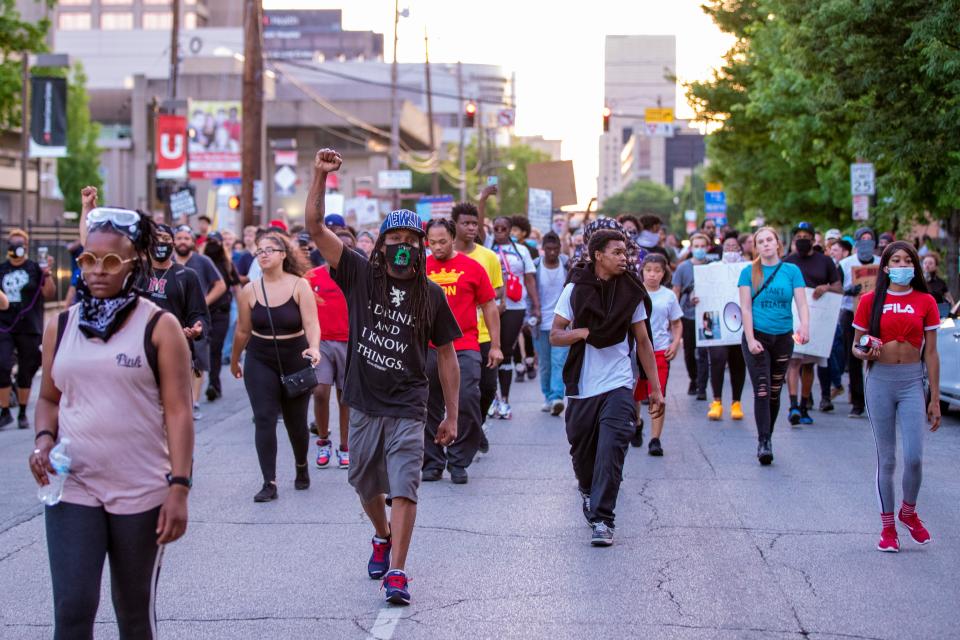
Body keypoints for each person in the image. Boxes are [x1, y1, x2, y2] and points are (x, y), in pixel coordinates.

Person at [306, 149, 461, 606]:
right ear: (381, 243)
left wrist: (451, 414)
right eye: (393, 237)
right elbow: (316, 228)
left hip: (410, 404)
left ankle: (398, 570)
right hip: (363, 400)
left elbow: (447, 355)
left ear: (420, 247)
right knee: (363, 482)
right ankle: (381, 534)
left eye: (410, 239)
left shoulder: (431, 294)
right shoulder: (358, 272)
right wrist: (320, 176)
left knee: (405, 485)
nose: (402, 245)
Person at [30, 206, 194, 639]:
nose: (96, 271)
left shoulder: (160, 326)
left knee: (134, 613)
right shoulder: (59, 326)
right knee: (72, 609)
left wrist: (179, 486)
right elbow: (48, 397)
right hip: (74, 484)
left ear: (132, 265)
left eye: (109, 262)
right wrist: (43, 440)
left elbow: (179, 411)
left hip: (140, 489)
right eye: (87, 260)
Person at [551, 229, 664, 546]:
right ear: (597, 255)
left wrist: (654, 388)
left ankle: (603, 519)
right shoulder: (575, 290)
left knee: (612, 449)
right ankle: (588, 490)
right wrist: (583, 332)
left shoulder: (632, 291)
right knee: (583, 456)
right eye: (616, 252)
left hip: (618, 383)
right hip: (583, 386)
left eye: (625, 252)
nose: (623, 257)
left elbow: (643, 341)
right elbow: (555, 335)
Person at [851, 241, 941, 552]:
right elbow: (855, 346)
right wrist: (866, 349)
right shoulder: (870, 301)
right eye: (896, 260)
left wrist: (935, 399)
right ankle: (888, 527)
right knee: (887, 459)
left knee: (914, 457)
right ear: (886, 267)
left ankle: (909, 512)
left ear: (914, 267)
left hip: (912, 382)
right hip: (880, 382)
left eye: (908, 261)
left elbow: (931, 353)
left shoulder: (926, 300)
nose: (902, 266)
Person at [230, 230, 321, 502]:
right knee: (265, 418)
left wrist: (314, 347)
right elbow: (242, 331)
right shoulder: (249, 290)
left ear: (283, 255)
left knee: (296, 423)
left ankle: (302, 466)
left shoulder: (299, 285)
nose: (264, 254)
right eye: (260, 250)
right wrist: (235, 360)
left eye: (270, 249)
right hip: (260, 357)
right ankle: (269, 482)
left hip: (294, 355)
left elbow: (311, 323)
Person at [422, 219, 502, 484]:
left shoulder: (473, 267)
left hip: (464, 343)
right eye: (431, 243)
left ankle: (458, 459)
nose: (437, 248)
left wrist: (496, 346)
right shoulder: (420, 267)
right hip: (428, 345)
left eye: (442, 242)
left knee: (467, 396)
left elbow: (490, 307)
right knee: (428, 402)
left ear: (453, 238)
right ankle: (432, 460)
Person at [739, 227, 809, 465]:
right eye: (761, 241)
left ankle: (767, 435)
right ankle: (763, 442)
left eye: (770, 240)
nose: (766, 244)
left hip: (783, 338)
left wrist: (804, 326)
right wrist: (750, 339)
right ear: (755, 247)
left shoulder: (791, 271)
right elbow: (745, 308)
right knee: (762, 388)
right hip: (757, 336)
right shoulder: (748, 272)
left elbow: (801, 303)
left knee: (775, 390)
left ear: (778, 244)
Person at [451, 198, 503, 453]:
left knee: (487, 389)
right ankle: (463, 434)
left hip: (482, 336)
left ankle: (476, 424)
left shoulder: (489, 257)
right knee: (461, 391)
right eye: (466, 223)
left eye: (475, 223)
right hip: (451, 338)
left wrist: (496, 342)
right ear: (455, 225)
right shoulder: (443, 254)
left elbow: (496, 297)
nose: (471, 228)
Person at [783, 222, 842, 421]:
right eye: (798, 236)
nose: (802, 240)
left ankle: (804, 405)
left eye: (806, 236)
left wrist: (826, 288)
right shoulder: (788, 262)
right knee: (794, 361)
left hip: (818, 319)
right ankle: (793, 406)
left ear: (812, 239)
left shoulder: (825, 261)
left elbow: (838, 287)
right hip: (794, 318)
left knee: (808, 365)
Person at [0, 227, 56, 429]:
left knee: (27, 368)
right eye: (13, 244)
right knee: (3, 364)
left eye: (20, 245)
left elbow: (49, 293)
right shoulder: (2, 269)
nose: (17, 248)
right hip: (5, 325)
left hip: (29, 325)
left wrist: (47, 274)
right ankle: (5, 410)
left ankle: (22, 412)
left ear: (26, 246)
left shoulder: (34, 268)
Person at [306, 236, 352, 469]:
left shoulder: (358, 276)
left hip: (349, 341)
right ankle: (323, 439)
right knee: (320, 391)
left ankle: (345, 446)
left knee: (346, 397)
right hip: (321, 342)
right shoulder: (311, 277)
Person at [489, 215, 540, 420]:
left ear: (510, 230)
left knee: (506, 351)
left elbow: (529, 279)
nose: (499, 231)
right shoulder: (486, 246)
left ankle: (506, 401)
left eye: (504, 228)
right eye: (496, 227)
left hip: (515, 306)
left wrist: (536, 306)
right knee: (489, 351)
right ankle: (492, 398)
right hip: (489, 306)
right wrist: (483, 198)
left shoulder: (522, 251)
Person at [174, 225, 226, 417]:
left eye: (186, 238)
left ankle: (193, 402)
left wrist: (203, 302)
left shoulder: (202, 261)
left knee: (198, 361)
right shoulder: (167, 261)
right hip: (173, 317)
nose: (182, 242)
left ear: (193, 242)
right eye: (178, 238)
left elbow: (220, 285)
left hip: (196, 318)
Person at [635, 254, 682, 456]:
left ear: (664, 273)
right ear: (642, 271)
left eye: (657, 271)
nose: (652, 275)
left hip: (660, 350)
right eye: (648, 270)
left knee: (658, 393)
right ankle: (636, 422)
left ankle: (655, 439)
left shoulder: (669, 296)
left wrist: (676, 342)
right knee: (634, 395)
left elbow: (677, 323)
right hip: (636, 352)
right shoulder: (634, 292)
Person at [706, 235, 748, 421]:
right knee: (717, 358)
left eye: (734, 246)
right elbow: (702, 289)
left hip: (739, 319)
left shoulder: (748, 269)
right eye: (727, 246)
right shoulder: (712, 268)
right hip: (716, 319)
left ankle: (736, 402)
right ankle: (716, 401)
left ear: (740, 249)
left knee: (738, 360)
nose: (731, 249)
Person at [839, 227, 878, 418]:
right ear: (856, 242)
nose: (866, 242)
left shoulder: (881, 263)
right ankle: (857, 401)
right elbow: (836, 288)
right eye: (863, 239)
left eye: (870, 239)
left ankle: (876, 399)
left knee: (876, 356)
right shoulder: (845, 264)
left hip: (877, 315)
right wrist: (848, 291)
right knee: (854, 357)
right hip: (851, 314)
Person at [201, 232, 240, 401]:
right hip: (201, 313)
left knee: (215, 350)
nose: (213, 244)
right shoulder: (199, 263)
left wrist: (243, 309)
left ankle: (213, 384)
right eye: (210, 241)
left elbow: (237, 287)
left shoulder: (227, 264)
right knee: (199, 350)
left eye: (216, 241)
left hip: (220, 313)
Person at [534, 232, 570, 416]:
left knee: (559, 361)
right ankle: (548, 397)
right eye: (548, 249)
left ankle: (557, 397)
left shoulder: (566, 264)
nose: (552, 252)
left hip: (561, 325)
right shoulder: (535, 265)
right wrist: (529, 317)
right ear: (543, 248)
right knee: (545, 364)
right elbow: (529, 293)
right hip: (540, 324)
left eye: (556, 249)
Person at [672, 233, 711, 400]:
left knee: (704, 352)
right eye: (696, 246)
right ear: (691, 248)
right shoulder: (683, 268)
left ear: (707, 248)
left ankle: (702, 386)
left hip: (707, 316)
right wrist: (673, 316)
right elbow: (676, 291)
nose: (700, 249)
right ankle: (693, 379)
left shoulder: (712, 267)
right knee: (689, 351)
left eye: (703, 246)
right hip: (687, 316)